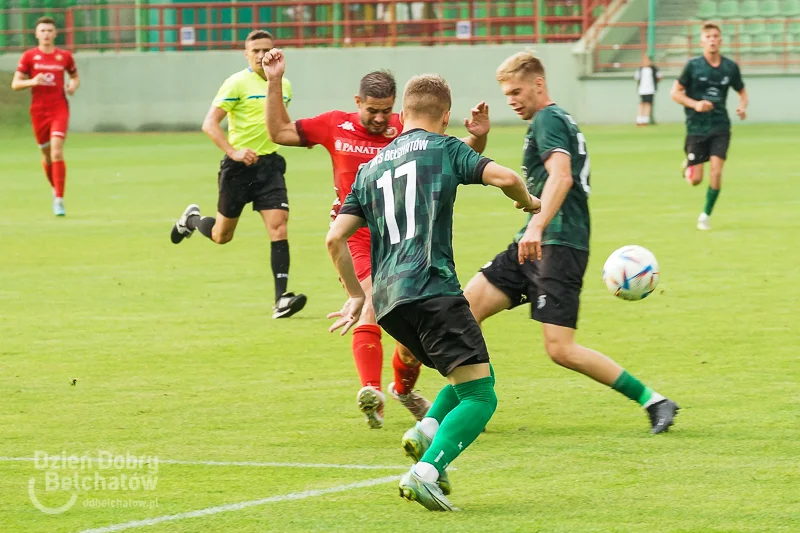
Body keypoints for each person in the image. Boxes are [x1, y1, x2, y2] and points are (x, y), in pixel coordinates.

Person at [325, 74, 541, 510]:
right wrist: (530, 203)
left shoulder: (371, 168)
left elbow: (335, 239)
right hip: (433, 288)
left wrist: (354, 295)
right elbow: (504, 176)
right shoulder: (445, 147)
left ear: (401, 115)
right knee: (482, 396)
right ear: (445, 116)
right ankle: (426, 472)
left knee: (462, 380)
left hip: (388, 303)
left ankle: (425, 433)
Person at [262, 49, 491, 427]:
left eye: (387, 110)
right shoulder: (335, 126)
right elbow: (279, 132)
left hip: (403, 237)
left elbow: (456, 156)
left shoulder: (410, 131)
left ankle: (401, 389)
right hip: (355, 235)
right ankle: (371, 390)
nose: (381, 118)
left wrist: (478, 138)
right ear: (358, 103)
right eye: (373, 110)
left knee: (410, 340)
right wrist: (273, 81)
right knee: (371, 300)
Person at [462, 51, 680, 435]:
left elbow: (561, 178)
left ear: (539, 84)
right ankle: (458, 409)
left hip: (558, 244)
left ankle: (655, 400)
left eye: (516, 91)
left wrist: (537, 226)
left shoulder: (548, 118)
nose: (511, 100)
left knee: (560, 348)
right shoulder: (553, 120)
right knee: (463, 313)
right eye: (505, 93)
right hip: (533, 242)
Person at [169, 30, 306, 319]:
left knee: (279, 227)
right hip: (238, 170)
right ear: (246, 54)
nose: (261, 55)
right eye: (255, 50)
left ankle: (281, 299)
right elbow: (210, 124)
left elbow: (281, 122)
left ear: (275, 52)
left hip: (269, 167)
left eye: (266, 50)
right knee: (222, 235)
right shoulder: (236, 83)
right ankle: (191, 221)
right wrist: (233, 152)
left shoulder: (284, 84)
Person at [671, 22, 748, 231]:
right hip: (696, 127)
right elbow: (675, 93)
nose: (712, 40)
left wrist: (742, 107)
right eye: (708, 37)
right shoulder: (693, 66)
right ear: (702, 41)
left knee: (716, 172)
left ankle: (705, 215)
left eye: (715, 36)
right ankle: (689, 164)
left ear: (720, 40)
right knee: (696, 180)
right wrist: (696, 104)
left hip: (720, 126)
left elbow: (742, 92)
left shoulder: (730, 67)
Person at [11, 16, 79, 217]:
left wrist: (72, 86)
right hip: (38, 111)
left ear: (55, 33)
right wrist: (32, 81)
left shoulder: (64, 56)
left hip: (59, 108)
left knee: (57, 152)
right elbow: (15, 84)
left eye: (50, 30)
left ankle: (59, 199)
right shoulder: (29, 57)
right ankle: (54, 188)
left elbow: (74, 76)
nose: (46, 34)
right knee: (47, 155)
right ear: (37, 34)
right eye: (43, 31)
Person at [634, 56, 661, 126]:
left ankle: (645, 120)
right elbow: (636, 78)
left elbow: (659, 77)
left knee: (648, 104)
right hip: (642, 90)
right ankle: (639, 120)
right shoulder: (640, 70)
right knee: (642, 104)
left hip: (650, 90)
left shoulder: (654, 69)